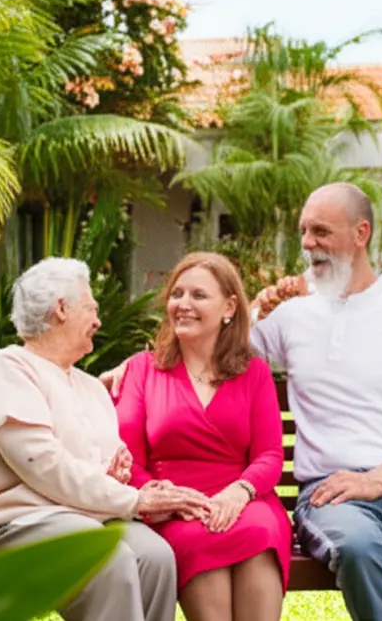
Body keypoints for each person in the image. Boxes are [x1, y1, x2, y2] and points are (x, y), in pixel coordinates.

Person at [104, 183, 382, 621]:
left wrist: (380, 478)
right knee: (358, 548)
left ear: (361, 233)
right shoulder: (292, 317)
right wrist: (133, 365)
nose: (307, 244)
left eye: (320, 231)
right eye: (304, 231)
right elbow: (211, 346)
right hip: (327, 492)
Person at [0, 257, 211, 621]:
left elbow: (97, 467)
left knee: (155, 557)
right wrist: (134, 499)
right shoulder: (6, 368)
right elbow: (42, 465)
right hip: (15, 524)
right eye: (92, 309)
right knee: (107, 556)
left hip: (87, 518)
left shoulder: (90, 386)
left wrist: (116, 474)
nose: (98, 321)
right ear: (61, 309)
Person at [113, 251, 292, 621]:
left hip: (244, 499)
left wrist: (238, 493)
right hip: (174, 508)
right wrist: (169, 499)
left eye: (198, 295)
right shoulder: (141, 370)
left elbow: (270, 455)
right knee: (199, 538)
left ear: (229, 307)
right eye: (177, 294)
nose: (183, 304)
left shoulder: (253, 372)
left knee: (261, 534)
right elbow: (130, 459)